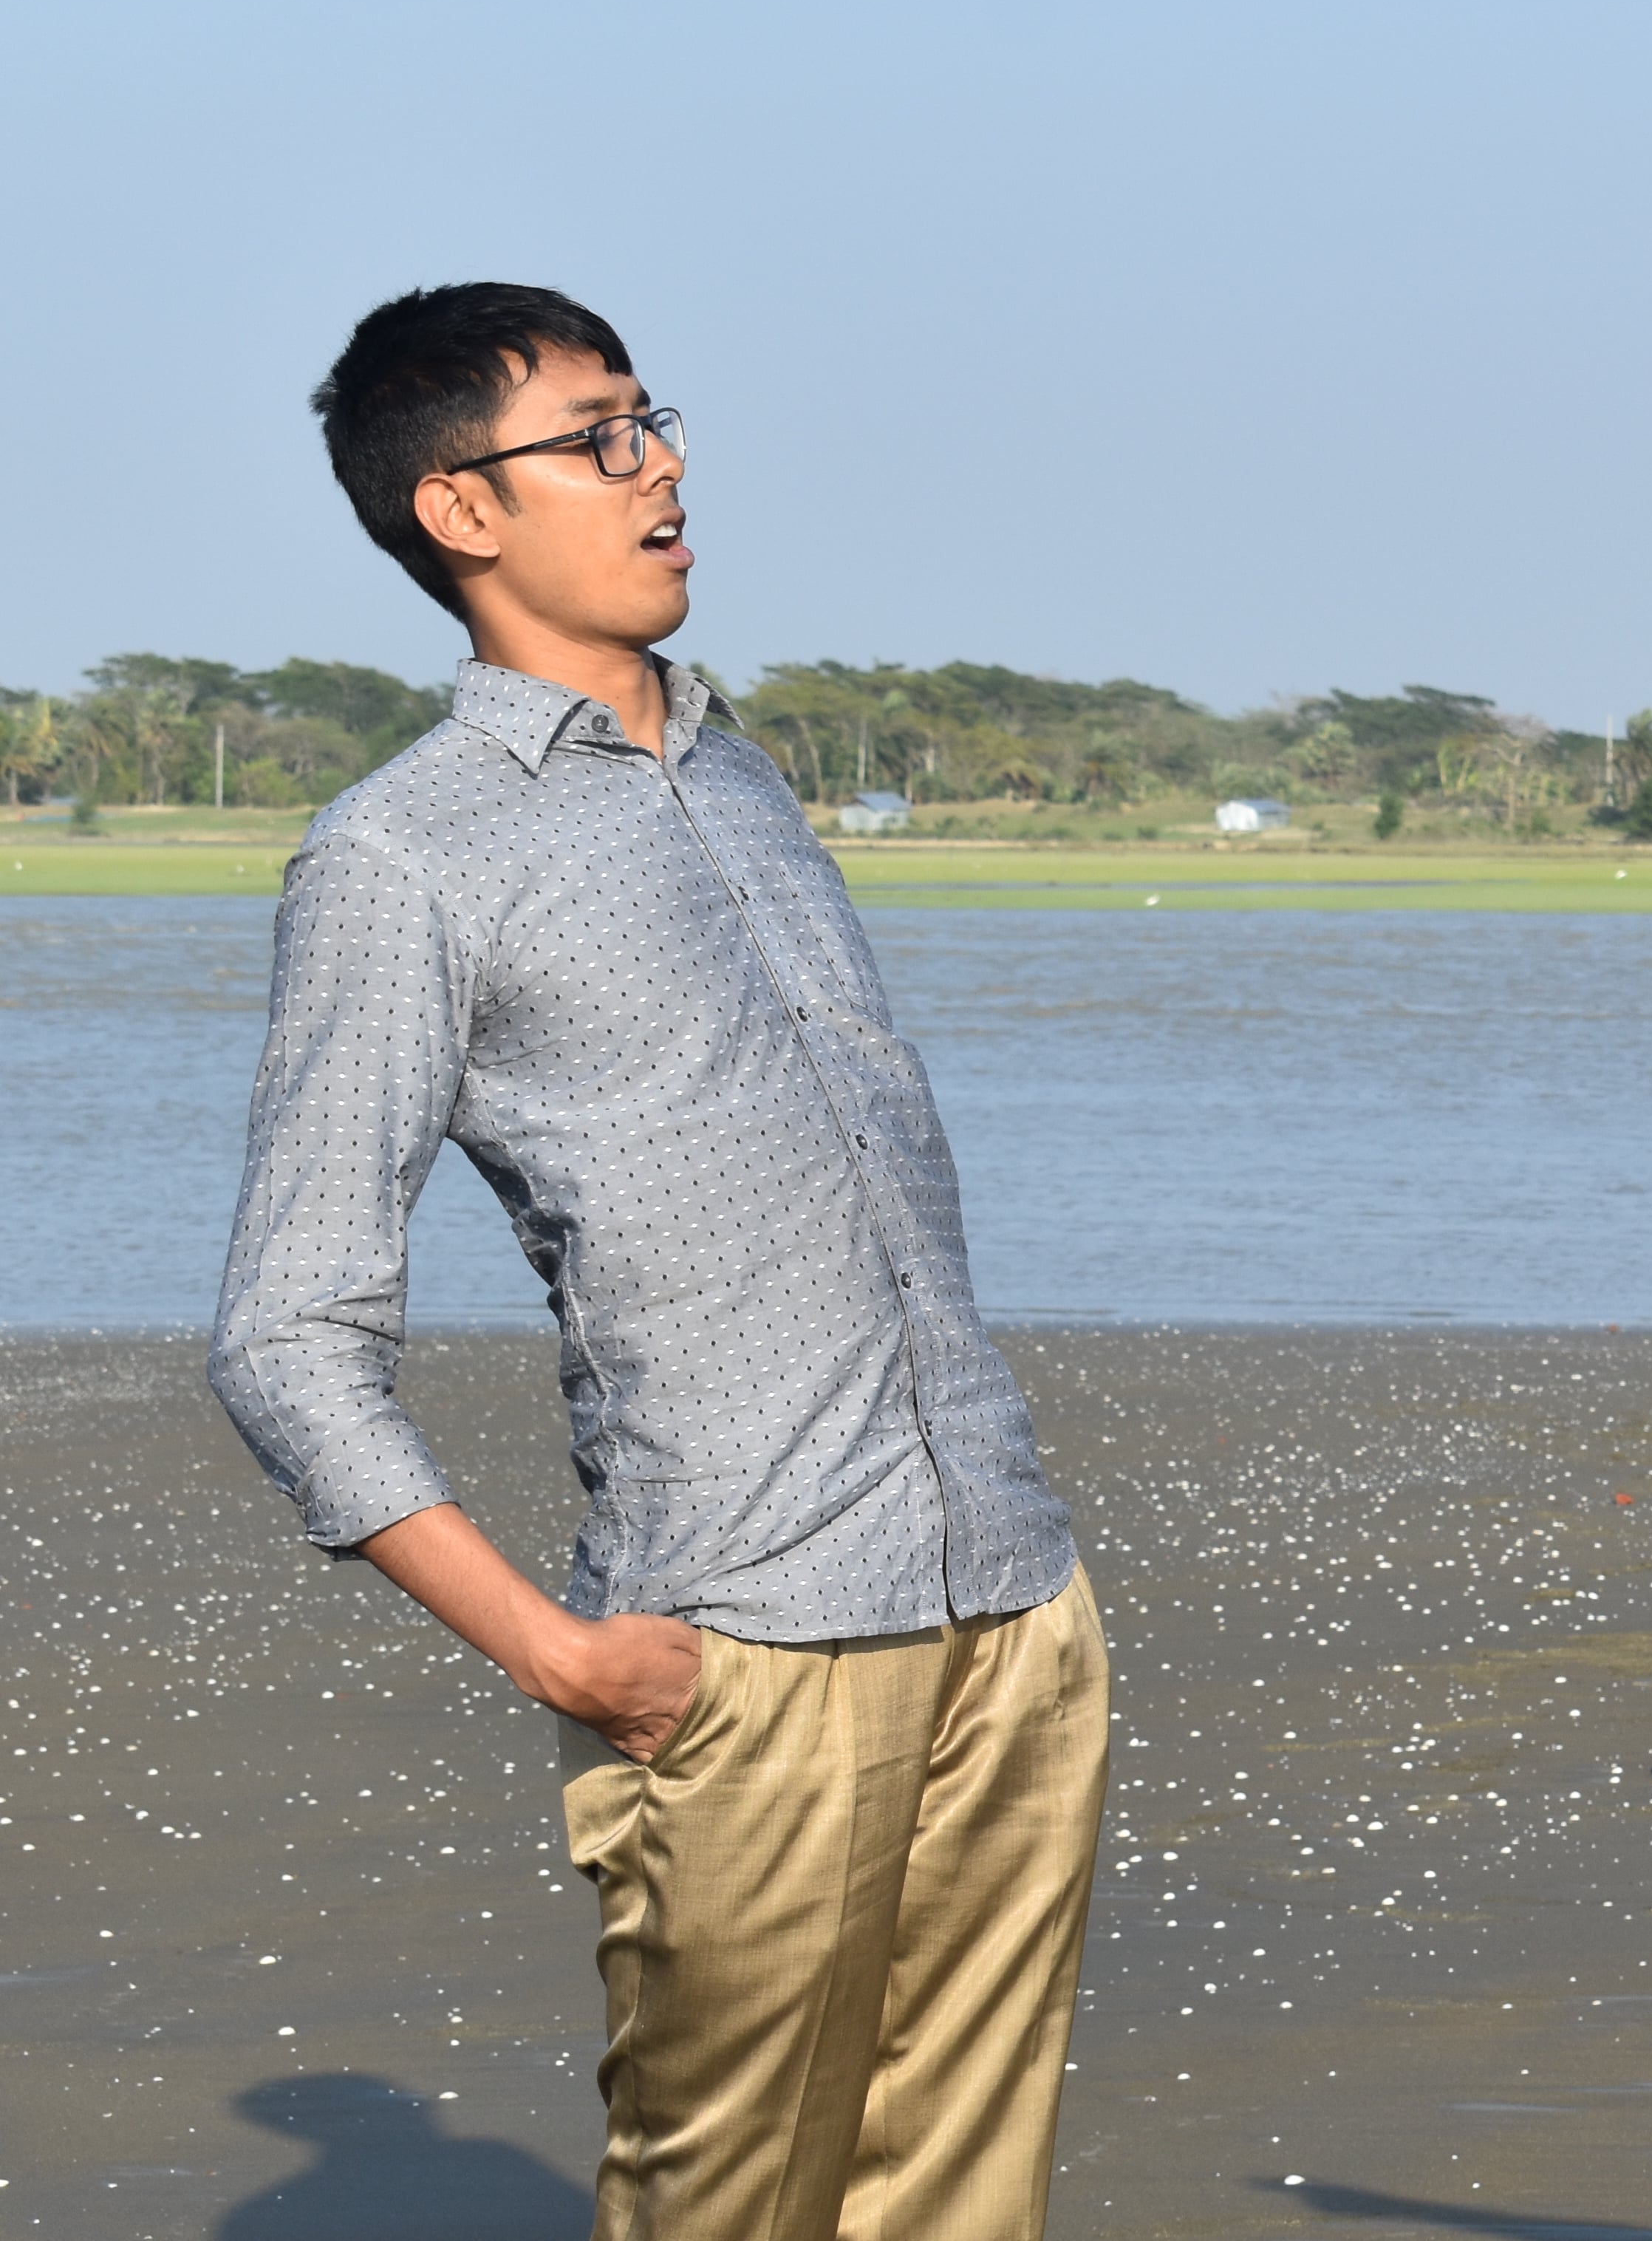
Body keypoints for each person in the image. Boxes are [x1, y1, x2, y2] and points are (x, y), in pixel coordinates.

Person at [213, 283, 1107, 2241]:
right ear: (462, 509)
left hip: (1008, 1602)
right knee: (727, 2204)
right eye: (601, 436)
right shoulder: (402, 854)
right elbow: (286, 1332)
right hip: (746, 1645)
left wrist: (1036, 1592)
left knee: (964, 2200)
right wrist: (560, 1652)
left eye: (656, 419)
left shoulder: (740, 773)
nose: (663, 465)